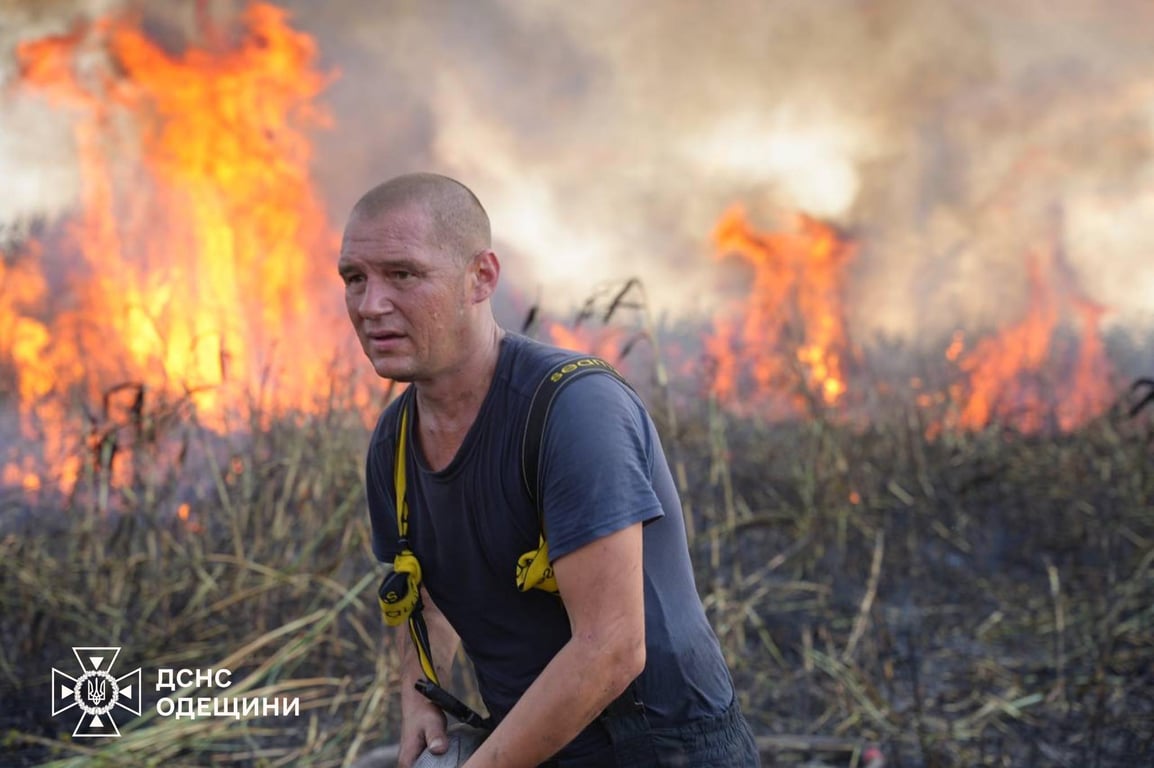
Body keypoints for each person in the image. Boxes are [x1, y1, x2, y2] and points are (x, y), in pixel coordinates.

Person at [339, 172, 760, 768]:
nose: (370, 305)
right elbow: (422, 591)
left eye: (403, 274)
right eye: (354, 278)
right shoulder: (394, 442)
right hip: (532, 749)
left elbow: (611, 649)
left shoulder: (573, 409)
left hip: (663, 751)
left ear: (481, 277)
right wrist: (419, 698)